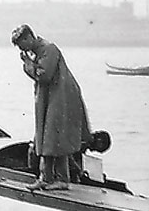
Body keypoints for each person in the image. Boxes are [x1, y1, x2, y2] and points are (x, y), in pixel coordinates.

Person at [11, 24, 92, 191]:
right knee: (50, 138)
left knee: (53, 138)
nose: (21, 49)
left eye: (21, 45)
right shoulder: (41, 51)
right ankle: (48, 178)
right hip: (52, 97)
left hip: (62, 98)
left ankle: (59, 179)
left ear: (28, 38)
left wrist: (28, 65)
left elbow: (44, 75)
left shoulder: (49, 49)